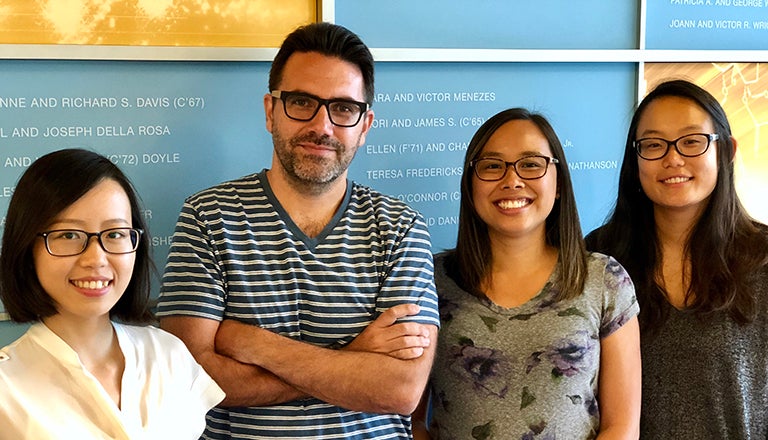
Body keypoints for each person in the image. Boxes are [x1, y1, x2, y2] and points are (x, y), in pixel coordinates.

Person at [156, 22, 440, 439]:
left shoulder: (400, 228)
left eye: (343, 108)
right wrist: (355, 356)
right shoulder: (208, 217)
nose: (322, 126)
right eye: (303, 102)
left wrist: (254, 344)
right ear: (271, 111)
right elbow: (194, 379)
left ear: (365, 125)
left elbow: (400, 390)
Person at [414, 108, 641, 439]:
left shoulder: (604, 280)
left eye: (531, 164)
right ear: (470, 185)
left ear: (559, 183)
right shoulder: (430, 280)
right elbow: (409, 418)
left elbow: (621, 427)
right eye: (492, 166)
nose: (512, 180)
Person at [586, 79, 768, 439]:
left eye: (691, 141)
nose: (673, 158)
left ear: (726, 151)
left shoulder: (762, 257)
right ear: (635, 158)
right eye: (653, 144)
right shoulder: (599, 259)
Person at [0, 148, 224, 439]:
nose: (96, 259)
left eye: (115, 234)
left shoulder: (169, 355)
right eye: (68, 235)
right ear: (27, 249)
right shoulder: (7, 386)